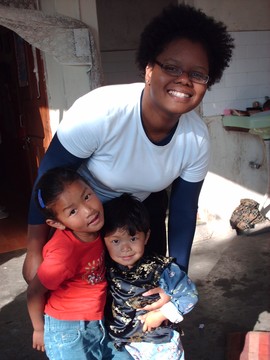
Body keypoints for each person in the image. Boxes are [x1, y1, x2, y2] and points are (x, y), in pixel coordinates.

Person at [23, 3, 234, 283]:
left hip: (138, 211)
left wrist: (177, 275)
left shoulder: (195, 139)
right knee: (78, 296)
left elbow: (184, 209)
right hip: (81, 216)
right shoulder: (101, 111)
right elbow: (47, 180)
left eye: (197, 74)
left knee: (144, 296)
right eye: (171, 67)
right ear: (148, 70)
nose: (184, 80)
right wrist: (34, 249)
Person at [26, 167, 132, 360]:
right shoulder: (63, 256)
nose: (88, 210)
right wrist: (38, 329)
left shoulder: (98, 227)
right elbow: (34, 292)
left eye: (87, 196)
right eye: (73, 211)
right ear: (57, 223)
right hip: (68, 330)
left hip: (96, 321)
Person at [102, 193, 198, 360]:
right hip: (122, 344)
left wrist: (161, 315)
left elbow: (189, 296)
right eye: (115, 241)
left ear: (146, 237)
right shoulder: (106, 268)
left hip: (158, 345)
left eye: (133, 238)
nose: (125, 248)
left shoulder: (161, 268)